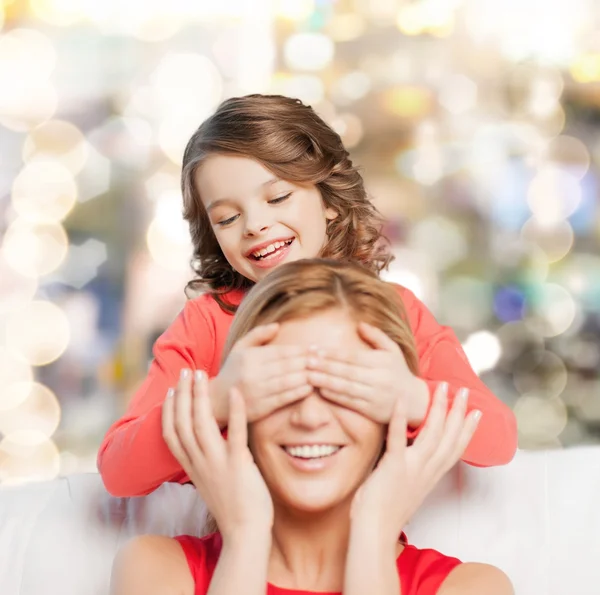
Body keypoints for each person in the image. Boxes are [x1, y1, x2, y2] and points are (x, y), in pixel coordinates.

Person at [98, 94, 517, 498]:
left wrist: (409, 397)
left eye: (278, 197)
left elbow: (498, 440)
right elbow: (119, 471)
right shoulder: (206, 325)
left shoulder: (395, 310)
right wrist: (220, 400)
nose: (255, 225)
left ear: (329, 200)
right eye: (227, 217)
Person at [110, 260, 513, 595]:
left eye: (343, 389)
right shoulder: (155, 571)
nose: (310, 417)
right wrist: (244, 537)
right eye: (283, 388)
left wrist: (373, 536)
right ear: (239, 414)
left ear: (395, 414)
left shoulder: (473, 587)